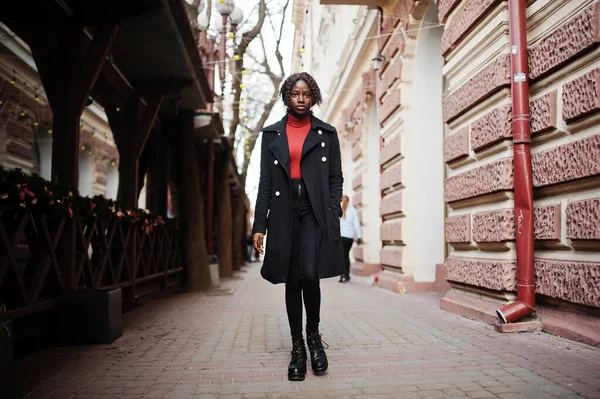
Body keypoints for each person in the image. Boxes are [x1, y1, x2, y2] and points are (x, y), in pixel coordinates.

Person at [252, 72, 344, 381]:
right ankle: (297, 348)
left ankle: (314, 338)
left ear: (313, 96)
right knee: (292, 278)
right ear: (287, 97)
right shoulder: (271, 135)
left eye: (306, 93)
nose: (301, 98)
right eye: (295, 94)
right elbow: (265, 183)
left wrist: (332, 209)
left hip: (313, 210)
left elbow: (335, 178)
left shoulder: (327, 134)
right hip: (282, 210)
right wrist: (258, 225)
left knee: (308, 272)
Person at [339, 195, 362, 282]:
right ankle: (346, 274)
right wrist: (359, 237)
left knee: (341, 256)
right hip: (349, 237)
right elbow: (357, 225)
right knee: (346, 255)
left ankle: (342, 274)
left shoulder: (338, 208)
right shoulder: (353, 210)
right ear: (348, 201)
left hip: (340, 236)